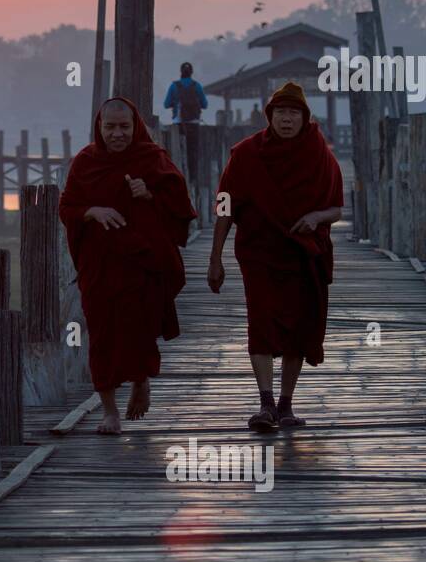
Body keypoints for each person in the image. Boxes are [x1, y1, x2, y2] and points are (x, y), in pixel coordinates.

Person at [207, 82, 344, 431]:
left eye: (293, 113)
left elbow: (336, 209)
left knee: (299, 327)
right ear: (269, 117)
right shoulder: (247, 154)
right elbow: (225, 205)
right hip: (260, 252)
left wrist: (316, 217)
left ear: (304, 118)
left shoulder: (320, 155)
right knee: (262, 322)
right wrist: (215, 257)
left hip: (303, 252)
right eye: (280, 112)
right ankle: (265, 403)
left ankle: (286, 405)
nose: (286, 119)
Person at [59, 97, 197, 434]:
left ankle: (140, 379)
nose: (117, 134)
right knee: (102, 334)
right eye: (110, 127)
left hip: (144, 260)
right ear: (100, 128)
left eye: (124, 126)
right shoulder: (86, 162)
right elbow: (68, 207)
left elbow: (181, 204)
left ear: (135, 126)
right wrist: (94, 211)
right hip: (101, 263)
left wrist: (150, 194)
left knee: (141, 326)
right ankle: (110, 412)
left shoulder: (152, 158)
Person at [164, 62, 207, 181]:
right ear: (191, 73)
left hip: (179, 123)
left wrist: (176, 103)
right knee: (193, 151)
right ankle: (193, 178)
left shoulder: (174, 86)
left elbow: (166, 104)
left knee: (179, 150)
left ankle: (178, 176)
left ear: (181, 72)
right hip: (194, 123)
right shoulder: (196, 86)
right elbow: (205, 104)